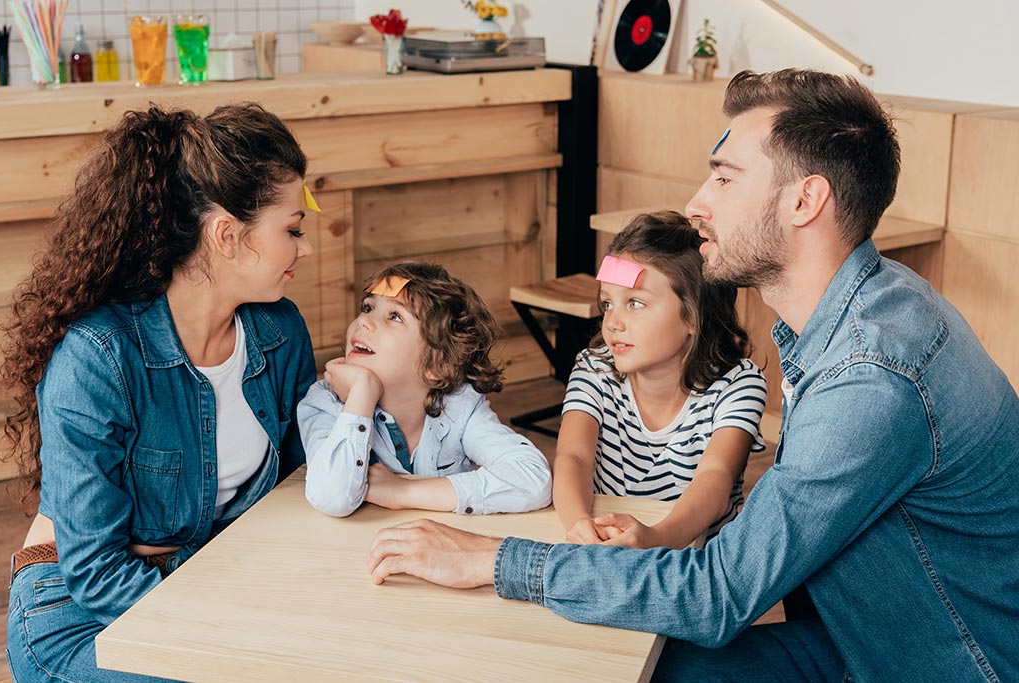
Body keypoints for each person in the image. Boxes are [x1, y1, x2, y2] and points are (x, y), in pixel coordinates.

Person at [363, 69, 1019, 682]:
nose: (696, 203)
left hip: (940, 662)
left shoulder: (871, 376)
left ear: (805, 200)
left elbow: (716, 594)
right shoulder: (870, 305)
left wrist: (491, 558)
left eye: (724, 178)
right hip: (865, 633)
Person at [1, 103, 318, 682]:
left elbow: (303, 489)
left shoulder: (280, 332)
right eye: (293, 230)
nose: (306, 247)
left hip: (215, 576)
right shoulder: (98, 357)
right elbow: (96, 573)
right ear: (227, 235)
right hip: (80, 611)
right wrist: (245, 625)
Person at [554, 212, 766, 549]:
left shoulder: (738, 386)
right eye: (607, 303)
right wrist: (579, 524)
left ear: (693, 315)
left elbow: (716, 478)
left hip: (695, 563)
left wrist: (655, 538)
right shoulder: (594, 368)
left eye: (635, 303)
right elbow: (573, 457)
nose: (612, 322)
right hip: (606, 550)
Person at [297, 261, 552, 518]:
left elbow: (534, 480)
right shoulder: (326, 402)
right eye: (367, 308)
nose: (364, 320)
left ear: (437, 365)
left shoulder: (459, 406)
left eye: (395, 316)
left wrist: (402, 492)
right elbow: (332, 498)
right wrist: (362, 392)